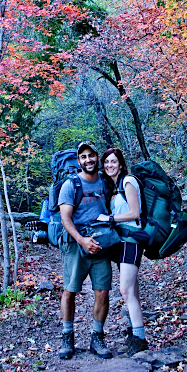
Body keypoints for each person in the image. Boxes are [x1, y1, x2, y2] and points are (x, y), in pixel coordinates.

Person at [57, 141, 113, 360]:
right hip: (75, 245)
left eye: (91, 155)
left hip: (101, 244)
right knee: (70, 291)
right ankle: (67, 337)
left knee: (102, 291)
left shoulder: (106, 182)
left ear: (97, 157)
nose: (88, 160)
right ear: (78, 161)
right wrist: (82, 240)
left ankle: (97, 338)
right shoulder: (71, 185)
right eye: (83, 156)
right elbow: (65, 218)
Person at [98, 147, 148, 356]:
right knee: (132, 291)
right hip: (122, 241)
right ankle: (135, 335)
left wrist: (110, 218)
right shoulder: (114, 186)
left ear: (121, 164)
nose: (109, 165)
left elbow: (135, 212)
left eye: (113, 161)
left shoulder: (128, 181)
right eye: (106, 162)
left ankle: (140, 341)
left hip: (132, 241)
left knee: (126, 291)